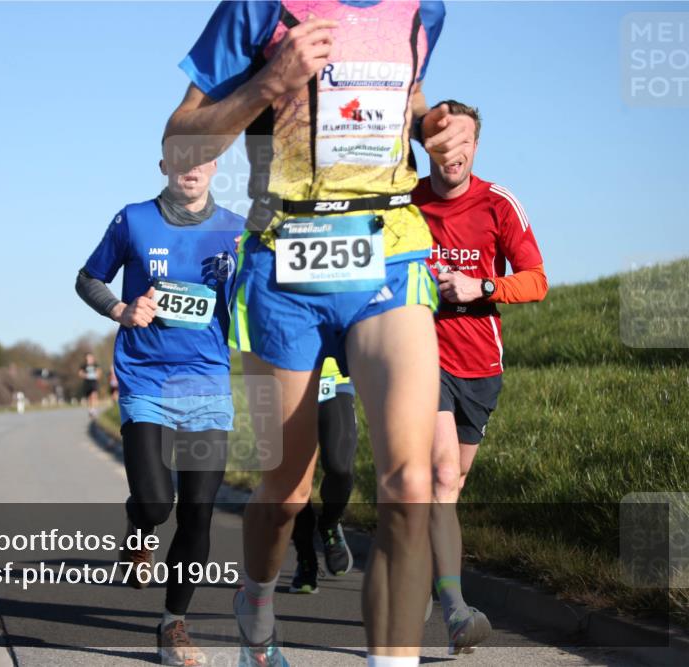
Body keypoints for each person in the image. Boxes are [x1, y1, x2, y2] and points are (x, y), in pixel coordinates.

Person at [167, 2, 475, 665]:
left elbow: (410, 85)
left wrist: (430, 126)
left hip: (388, 253)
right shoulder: (257, 10)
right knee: (287, 490)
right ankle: (256, 603)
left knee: (409, 481)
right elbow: (180, 140)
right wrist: (268, 82)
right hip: (282, 270)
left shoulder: (424, 10)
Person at [76, 153, 244, 666]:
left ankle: (173, 624)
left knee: (198, 513)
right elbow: (88, 279)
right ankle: (139, 528)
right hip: (146, 379)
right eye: (181, 156)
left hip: (207, 385)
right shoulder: (134, 219)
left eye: (203, 157)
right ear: (164, 163)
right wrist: (120, 310)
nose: (191, 166)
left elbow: (251, 303)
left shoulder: (237, 232)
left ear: (215, 165)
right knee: (155, 504)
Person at [412, 100, 547, 655]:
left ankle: (427, 579)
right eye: (441, 142)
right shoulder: (408, 204)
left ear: (475, 146)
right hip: (424, 355)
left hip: (481, 366)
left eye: (463, 141)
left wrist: (481, 286)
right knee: (441, 479)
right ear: (428, 148)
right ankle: (457, 611)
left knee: (453, 485)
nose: (453, 152)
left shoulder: (497, 203)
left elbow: (536, 280)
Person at [289, 356, 359, 594]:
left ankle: (329, 524)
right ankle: (306, 558)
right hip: (286, 377)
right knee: (294, 480)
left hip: (334, 377)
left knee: (341, 467)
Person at [78, 353, 101, 417]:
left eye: (90, 357)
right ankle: (91, 409)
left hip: (94, 382)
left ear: (92, 358)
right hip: (87, 382)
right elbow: (80, 373)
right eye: (88, 358)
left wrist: (96, 375)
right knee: (89, 397)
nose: (89, 359)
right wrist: (85, 375)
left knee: (94, 395)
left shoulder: (95, 365)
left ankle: (94, 409)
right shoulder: (84, 366)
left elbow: (99, 373)